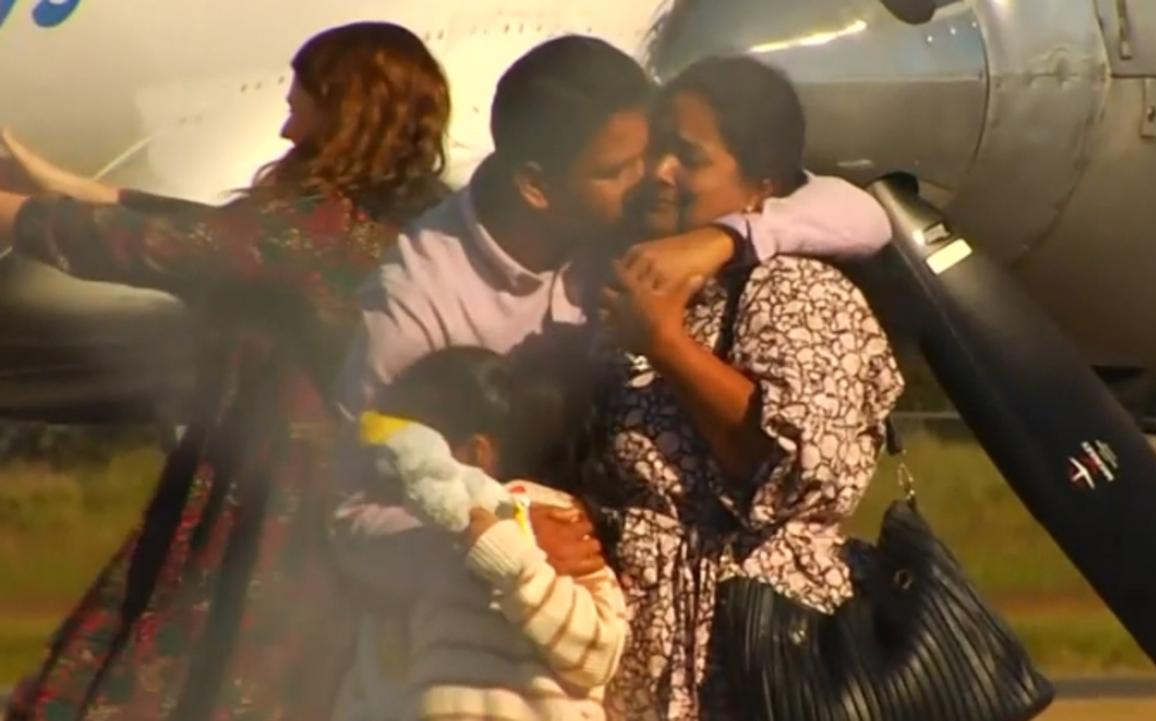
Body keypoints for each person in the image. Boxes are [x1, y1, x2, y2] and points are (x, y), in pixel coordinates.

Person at [0, 22, 460, 721]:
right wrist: (58, 182)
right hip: (312, 494)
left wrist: (16, 213)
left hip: (267, 501)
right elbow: (215, 232)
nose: (283, 128)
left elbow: (167, 248)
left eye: (300, 104)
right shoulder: (389, 220)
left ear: (345, 113)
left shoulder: (305, 230)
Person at [332, 35, 893, 603]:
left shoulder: (635, 228)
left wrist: (720, 239)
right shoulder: (415, 300)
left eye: (659, 154)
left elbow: (863, 215)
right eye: (620, 168)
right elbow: (351, 516)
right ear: (537, 187)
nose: (652, 177)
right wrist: (494, 544)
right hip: (480, 637)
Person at [592, 55, 905, 720]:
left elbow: (783, 468)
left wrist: (666, 344)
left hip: (758, 655)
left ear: (761, 188)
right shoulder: (647, 279)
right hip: (642, 653)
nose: (660, 173)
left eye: (688, 158)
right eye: (656, 152)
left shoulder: (798, 292)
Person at [335, 347, 627, 721]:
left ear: (475, 454)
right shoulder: (434, 551)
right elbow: (385, 678)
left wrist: (512, 561)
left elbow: (596, 655)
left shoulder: (559, 526)